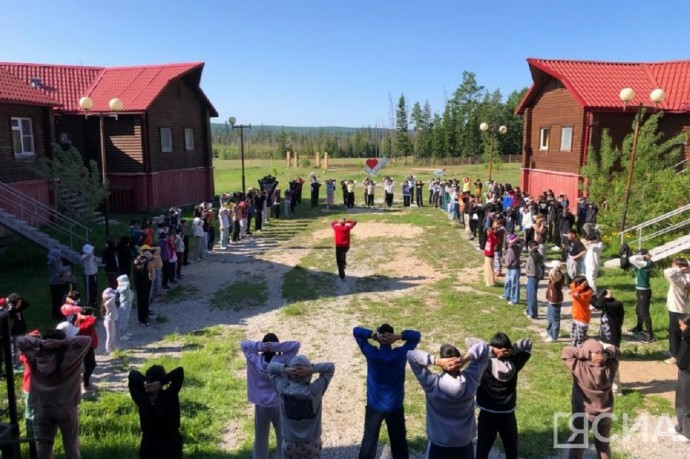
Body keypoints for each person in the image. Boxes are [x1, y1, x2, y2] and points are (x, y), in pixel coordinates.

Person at [407, 339, 489, 458]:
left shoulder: (432, 384)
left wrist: (436, 361)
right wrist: (464, 359)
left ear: (444, 365)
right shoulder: (472, 378)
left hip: (439, 442)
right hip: (464, 442)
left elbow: (411, 355)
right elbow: (484, 348)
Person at [17, 327, 91, 459]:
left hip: (43, 407)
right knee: (71, 444)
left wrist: (39, 343)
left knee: (44, 445)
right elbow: (86, 340)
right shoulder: (69, 357)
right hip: (66, 407)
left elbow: (20, 341)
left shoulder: (34, 356)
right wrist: (63, 343)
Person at [353, 324, 421, 459]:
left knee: (369, 441)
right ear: (392, 338)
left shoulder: (372, 354)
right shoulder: (400, 355)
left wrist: (373, 335)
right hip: (394, 406)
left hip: (374, 405)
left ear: (379, 338)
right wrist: (399, 336)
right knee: (399, 443)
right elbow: (416, 336)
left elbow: (356, 331)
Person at [241, 333, 301, 459]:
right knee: (282, 438)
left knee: (260, 439)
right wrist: (276, 347)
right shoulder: (282, 361)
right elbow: (296, 345)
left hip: (261, 405)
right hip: (279, 404)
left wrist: (261, 346)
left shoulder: (254, 360)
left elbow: (244, 345)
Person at [267, 355, 335, 459]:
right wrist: (311, 369)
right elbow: (330, 368)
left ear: (290, 375)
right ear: (308, 375)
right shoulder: (315, 390)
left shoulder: (283, 389)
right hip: (312, 443)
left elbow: (270, 369)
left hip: (290, 443)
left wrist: (286, 369)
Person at [475, 334, 532, 459]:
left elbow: (471, 342)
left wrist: (492, 350)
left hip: (487, 414)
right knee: (511, 451)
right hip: (507, 414)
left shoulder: (484, 363)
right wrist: (512, 350)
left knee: (482, 450)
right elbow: (528, 344)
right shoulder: (515, 362)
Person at [561, 339, 619, 459]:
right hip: (605, 414)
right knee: (603, 447)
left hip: (582, 414)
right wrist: (606, 354)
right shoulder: (610, 368)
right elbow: (616, 351)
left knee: (577, 447)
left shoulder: (580, 368)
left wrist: (587, 354)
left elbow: (566, 351)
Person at [129, 365, 185, 459]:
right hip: (149, 444)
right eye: (148, 381)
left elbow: (179, 371)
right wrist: (145, 381)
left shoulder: (169, 396)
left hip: (170, 444)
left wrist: (161, 382)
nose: (150, 385)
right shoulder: (143, 399)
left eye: (153, 382)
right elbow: (133, 374)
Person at [590, 289, 625, 395]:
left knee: (612, 365)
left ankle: (616, 390)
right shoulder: (607, 305)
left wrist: (605, 295)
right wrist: (593, 294)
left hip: (612, 341)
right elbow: (594, 303)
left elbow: (599, 304)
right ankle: (604, 384)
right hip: (603, 339)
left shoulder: (616, 305)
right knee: (600, 362)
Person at [663, 258, 690, 365]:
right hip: (681, 308)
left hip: (676, 309)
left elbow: (666, 271)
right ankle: (673, 352)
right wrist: (684, 268)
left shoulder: (680, 279)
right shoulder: (686, 277)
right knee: (675, 332)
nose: (673, 267)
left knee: (675, 333)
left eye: (675, 265)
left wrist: (679, 269)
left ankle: (675, 356)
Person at [628, 248, 655, 343]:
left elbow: (631, 259)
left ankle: (650, 335)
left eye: (641, 255)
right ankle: (639, 327)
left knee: (644, 313)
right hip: (641, 290)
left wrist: (643, 256)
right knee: (638, 310)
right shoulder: (648, 262)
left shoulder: (644, 263)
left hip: (644, 291)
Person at [674, 315, 690, 442]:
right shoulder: (686, 335)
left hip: (688, 373)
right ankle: (680, 427)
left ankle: (687, 433)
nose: (680, 328)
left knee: (686, 403)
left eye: (682, 325)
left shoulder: (688, 335)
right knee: (680, 401)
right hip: (683, 370)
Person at [569, 275, 593, 347]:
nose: (573, 285)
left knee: (580, 340)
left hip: (582, 318)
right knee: (573, 337)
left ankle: (581, 353)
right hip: (576, 317)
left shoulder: (587, 293)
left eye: (576, 284)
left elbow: (574, 294)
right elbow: (572, 287)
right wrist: (580, 286)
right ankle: (574, 350)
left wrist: (581, 286)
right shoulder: (578, 290)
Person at [501, 234, 522, 305]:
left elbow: (519, 241)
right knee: (507, 283)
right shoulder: (509, 247)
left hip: (515, 268)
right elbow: (508, 241)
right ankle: (506, 295)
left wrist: (515, 238)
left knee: (514, 285)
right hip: (509, 268)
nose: (509, 241)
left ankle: (514, 299)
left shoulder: (517, 247)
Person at [525, 240, 543, 319]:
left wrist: (533, 248)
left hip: (533, 276)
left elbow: (541, 262)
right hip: (530, 276)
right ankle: (529, 310)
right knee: (529, 294)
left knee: (532, 296)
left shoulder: (535, 254)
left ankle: (533, 313)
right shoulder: (534, 254)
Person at [100, 287, 118, 354]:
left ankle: (112, 347)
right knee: (109, 335)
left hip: (111, 320)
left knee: (113, 334)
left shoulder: (109, 301)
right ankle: (108, 349)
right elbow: (113, 297)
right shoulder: (108, 303)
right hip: (109, 321)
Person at [116, 274, 134, 341]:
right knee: (123, 320)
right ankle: (122, 335)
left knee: (126, 319)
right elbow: (126, 287)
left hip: (127, 304)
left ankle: (125, 332)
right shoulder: (121, 288)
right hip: (124, 305)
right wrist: (124, 283)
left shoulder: (125, 287)